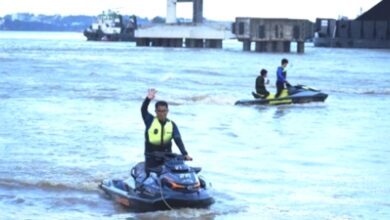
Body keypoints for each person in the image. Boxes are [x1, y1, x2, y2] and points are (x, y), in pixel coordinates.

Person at [141, 88, 192, 174]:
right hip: (151, 158)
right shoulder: (149, 120)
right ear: (156, 111)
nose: (162, 113)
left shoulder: (171, 124)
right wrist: (148, 99)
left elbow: (178, 139)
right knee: (151, 176)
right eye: (159, 111)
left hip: (167, 157)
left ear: (167, 111)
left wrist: (185, 154)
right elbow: (143, 110)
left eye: (164, 111)